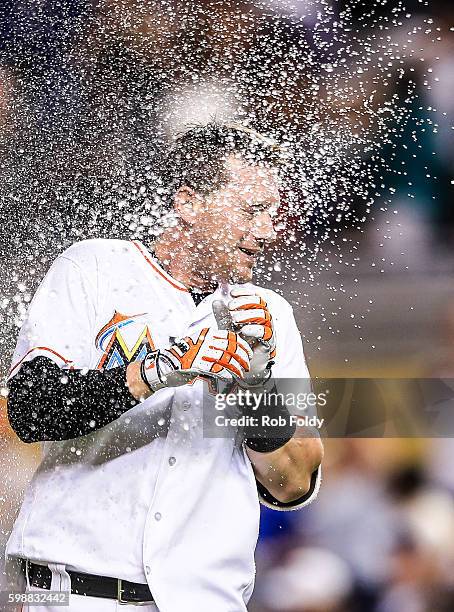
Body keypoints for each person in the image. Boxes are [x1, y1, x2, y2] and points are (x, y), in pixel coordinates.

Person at [6, 122, 323, 612]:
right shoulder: (95, 267)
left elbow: (294, 481)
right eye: (253, 210)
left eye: (272, 213)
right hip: (79, 594)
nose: (266, 229)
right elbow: (32, 410)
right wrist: (159, 368)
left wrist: (254, 391)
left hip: (206, 600)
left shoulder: (269, 316)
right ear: (188, 204)